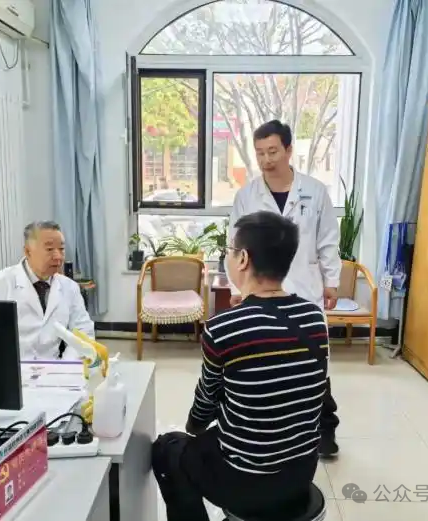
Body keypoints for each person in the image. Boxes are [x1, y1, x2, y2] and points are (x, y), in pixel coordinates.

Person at [152, 211, 329, 521]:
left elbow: (205, 403)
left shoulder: (223, 327)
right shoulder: (315, 319)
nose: (228, 257)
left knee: (168, 449)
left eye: (230, 251)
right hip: (302, 472)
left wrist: (192, 429)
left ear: (243, 259)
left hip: (246, 482)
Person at [226, 119, 341, 458]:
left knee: (313, 358)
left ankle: (324, 430)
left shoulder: (315, 191)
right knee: (268, 357)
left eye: (273, 151)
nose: (266, 159)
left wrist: (332, 281)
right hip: (259, 288)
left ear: (289, 150)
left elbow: (327, 240)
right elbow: (235, 244)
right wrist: (236, 286)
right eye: (260, 152)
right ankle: (275, 428)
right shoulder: (247, 196)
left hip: (304, 287)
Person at [0, 220, 94, 359]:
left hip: (56, 367)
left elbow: (83, 332)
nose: (58, 256)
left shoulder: (69, 287)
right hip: (13, 367)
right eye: (50, 249)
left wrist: (65, 364)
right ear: (28, 251)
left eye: (61, 249)